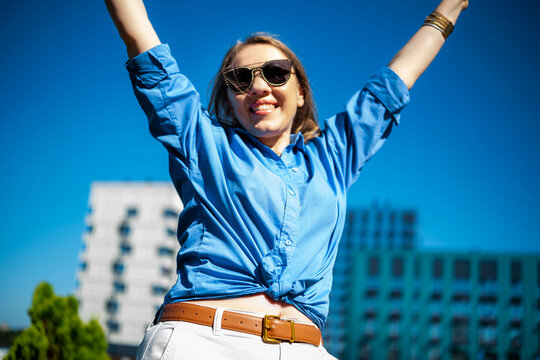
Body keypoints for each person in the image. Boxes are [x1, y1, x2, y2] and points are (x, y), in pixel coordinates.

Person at [105, 1, 468, 359]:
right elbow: (143, 43)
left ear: (300, 92)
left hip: (305, 349)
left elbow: (395, 82)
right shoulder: (203, 143)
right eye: (241, 78)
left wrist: (449, 9)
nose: (259, 86)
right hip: (202, 342)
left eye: (276, 72)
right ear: (230, 100)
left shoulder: (333, 158)